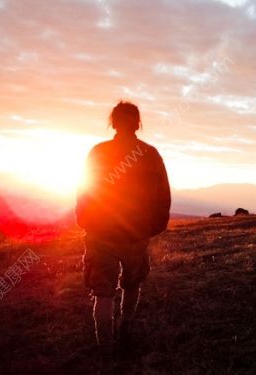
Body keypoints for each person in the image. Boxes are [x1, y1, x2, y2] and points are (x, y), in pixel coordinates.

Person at [76, 101, 171, 366]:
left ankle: (105, 349)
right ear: (138, 123)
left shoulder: (98, 152)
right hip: (135, 234)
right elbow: (163, 196)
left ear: (113, 122)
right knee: (132, 284)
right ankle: (125, 328)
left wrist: (85, 220)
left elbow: (84, 189)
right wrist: (152, 228)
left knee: (103, 293)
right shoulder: (150, 154)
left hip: (100, 233)